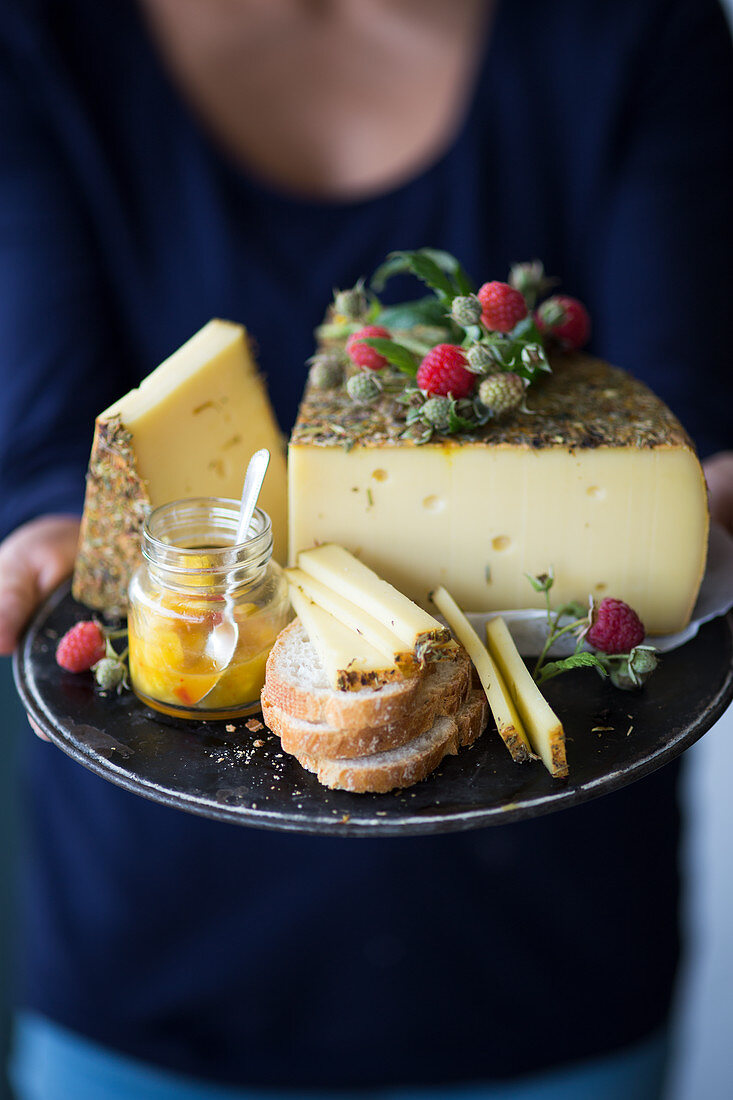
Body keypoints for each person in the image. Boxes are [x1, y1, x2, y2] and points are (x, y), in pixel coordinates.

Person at [0, 0, 732, 1097]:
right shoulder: (39, 43)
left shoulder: (631, 30)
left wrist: (708, 505)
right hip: (154, 965)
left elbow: (685, 433)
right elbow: (54, 436)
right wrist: (63, 535)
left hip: (544, 958)